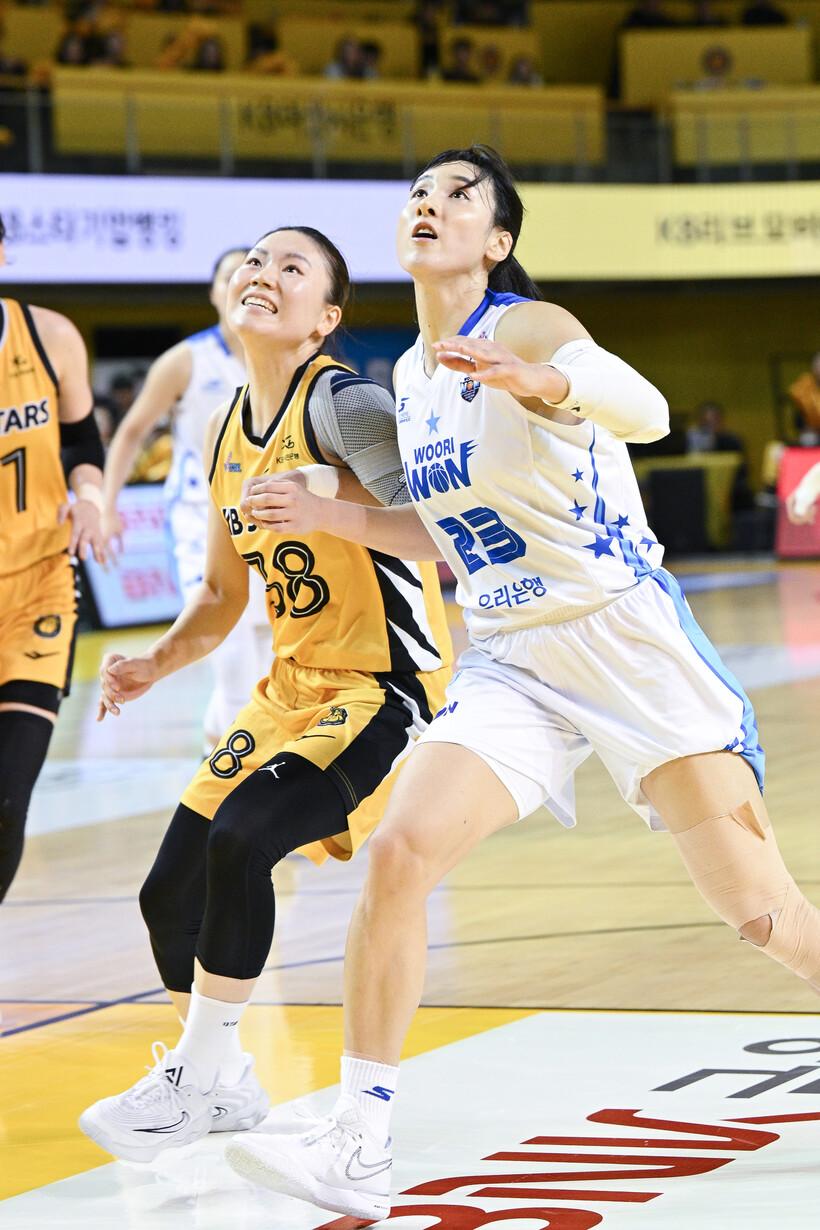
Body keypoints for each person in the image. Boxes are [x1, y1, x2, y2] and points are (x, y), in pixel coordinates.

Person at [225, 146, 820, 1223]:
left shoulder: (529, 328)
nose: (429, 204)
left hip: (626, 645)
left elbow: (646, 411)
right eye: (418, 192)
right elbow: (447, 534)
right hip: (511, 658)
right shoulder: (410, 380)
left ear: (496, 240)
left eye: (458, 195)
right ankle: (359, 1138)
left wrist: (547, 384)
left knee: (765, 918)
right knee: (400, 854)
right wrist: (333, 517)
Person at [78, 225, 452, 1162]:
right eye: (255, 260)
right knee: (169, 891)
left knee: (243, 839)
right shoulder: (221, 428)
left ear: (325, 318)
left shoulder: (347, 404)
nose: (263, 273)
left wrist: (327, 509)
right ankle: (225, 1083)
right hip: (289, 687)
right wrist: (154, 663)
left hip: (384, 686)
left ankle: (197, 1079)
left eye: (293, 267)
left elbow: (442, 532)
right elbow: (220, 595)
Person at [101, 248, 270, 750]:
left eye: (253, 272)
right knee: (231, 654)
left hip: (268, 522)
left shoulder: (282, 355)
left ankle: (219, 748)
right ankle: (227, 771)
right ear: (214, 291)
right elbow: (132, 432)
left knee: (268, 659)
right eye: (230, 275)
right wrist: (107, 506)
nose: (244, 282)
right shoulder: (186, 360)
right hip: (201, 520)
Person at [0, 213, 106, 901]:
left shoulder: (49, 336)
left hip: (38, 583)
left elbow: (82, 443)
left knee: (8, 797)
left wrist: (89, 497)